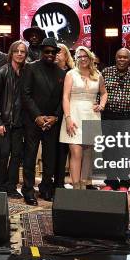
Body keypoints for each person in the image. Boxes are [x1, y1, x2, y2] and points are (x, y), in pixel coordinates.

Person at [21, 38, 65, 205]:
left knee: (50, 158)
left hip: (52, 122)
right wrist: (37, 116)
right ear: (41, 52)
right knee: (30, 157)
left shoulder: (62, 72)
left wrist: (55, 117)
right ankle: (29, 190)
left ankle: (47, 188)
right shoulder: (30, 68)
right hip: (33, 121)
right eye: (47, 51)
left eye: (53, 52)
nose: (50, 54)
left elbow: (63, 99)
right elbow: (25, 94)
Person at [60, 46, 107, 190]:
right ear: (76, 59)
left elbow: (104, 93)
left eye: (85, 56)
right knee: (76, 152)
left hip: (91, 115)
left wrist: (102, 105)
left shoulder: (97, 75)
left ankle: (84, 185)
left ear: (90, 57)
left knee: (88, 153)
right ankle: (76, 186)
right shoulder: (70, 74)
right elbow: (65, 97)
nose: (83, 59)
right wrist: (68, 118)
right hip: (74, 114)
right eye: (80, 56)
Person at [100, 48, 130, 191]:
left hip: (127, 118)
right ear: (115, 58)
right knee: (108, 150)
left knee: (124, 150)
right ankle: (111, 181)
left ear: (129, 60)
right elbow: (99, 93)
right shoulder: (106, 72)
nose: (122, 60)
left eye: (125, 57)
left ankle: (124, 182)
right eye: (119, 57)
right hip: (108, 116)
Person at [0, 41, 27, 198]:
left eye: (23, 52)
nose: (20, 54)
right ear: (11, 53)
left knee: (17, 156)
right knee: (4, 154)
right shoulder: (2, 71)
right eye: (17, 51)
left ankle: (11, 187)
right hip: (5, 122)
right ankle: (1, 185)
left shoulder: (27, 72)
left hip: (20, 123)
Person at [54, 43, 74, 188]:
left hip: (73, 115)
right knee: (59, 152)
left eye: (59, 52)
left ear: (66, 56)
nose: (55, 54)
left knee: (78, 152)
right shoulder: (50, 70)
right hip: (56, 116)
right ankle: (58, 183)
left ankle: (83, 183)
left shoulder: (73, 72)